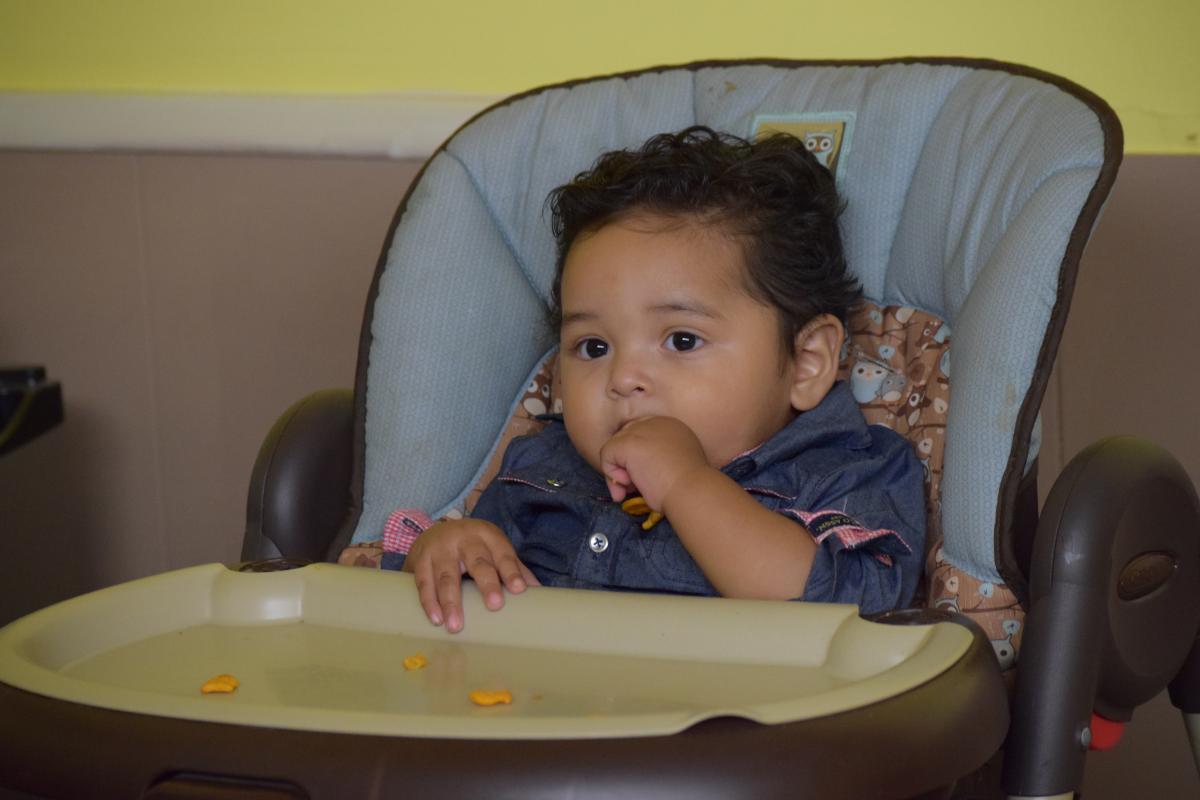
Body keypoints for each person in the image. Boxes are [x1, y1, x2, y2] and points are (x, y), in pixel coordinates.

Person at [391, 126, 926, 633]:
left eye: (682, 340)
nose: (623, 378)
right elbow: (443, 610)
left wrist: (685, 484)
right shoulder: (539, 468)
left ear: (806, 362)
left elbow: (856, 615)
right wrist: (449, 553)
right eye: (593, 347)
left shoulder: (847, 472)